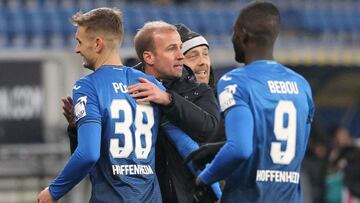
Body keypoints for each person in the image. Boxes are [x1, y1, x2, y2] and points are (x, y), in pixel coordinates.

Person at [62, 21, 221, 203]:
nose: (181, 57)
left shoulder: (198, 91)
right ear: (149, 57)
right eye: (177, 51)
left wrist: (168, 100)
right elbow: (94, 156)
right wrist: (78, 129)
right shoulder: (124, 89)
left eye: (205, 54)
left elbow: (209, 131)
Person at [38, 7, 165, 203]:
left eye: (79, 41)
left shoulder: (87, 86)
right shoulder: (150, 84)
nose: (76, 49)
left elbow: (88, 154)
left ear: (98, 44)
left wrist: (53, 192)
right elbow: (184, 143)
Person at [193, 2, 315, 202]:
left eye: (233, 32)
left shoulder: (236, 81)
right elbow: (298, 145)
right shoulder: (301, 84)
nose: (232, 38)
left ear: (243, 34)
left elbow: (239, 148)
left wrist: (204, 179)